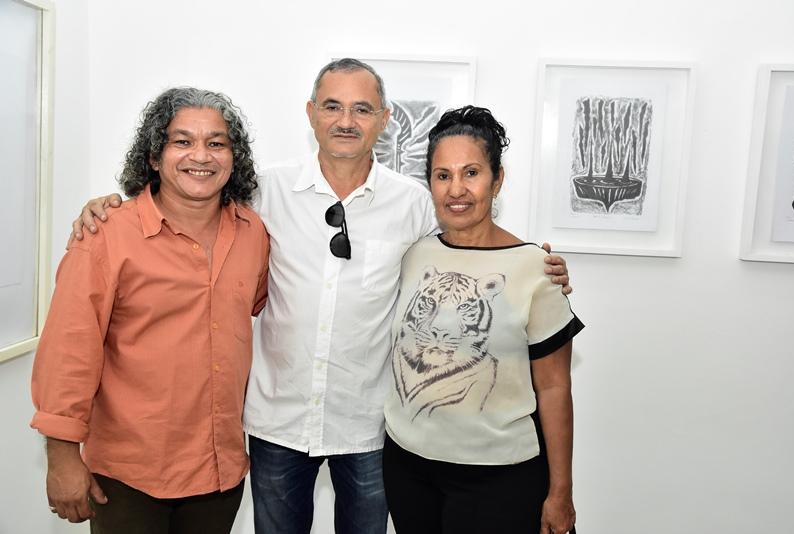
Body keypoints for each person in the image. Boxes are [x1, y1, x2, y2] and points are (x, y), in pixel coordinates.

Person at [68, 59, 572, 534]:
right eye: (332, 106)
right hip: (277, 420)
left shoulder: (414, 205)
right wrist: (112, 206)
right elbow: (184, 197)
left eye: (362, 109)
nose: (345, 121)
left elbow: (466, 245)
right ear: (311, 113)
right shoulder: (263, 192)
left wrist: (535, 263)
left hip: (368, 424)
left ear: (384, 120)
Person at [31, 87, 270, 534]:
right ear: (155, 157)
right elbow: (69, 350)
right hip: (129, 477)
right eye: (182, 141)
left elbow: (258, 307)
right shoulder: (106, 235)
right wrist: (61, 456)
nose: (201, 155)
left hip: (219, 472)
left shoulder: (252, 232)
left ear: (233, 158)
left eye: (216, 143)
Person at [382, 106, 583, 534]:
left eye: (471, 173)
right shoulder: (413, 254)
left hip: (499, 477)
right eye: (443, 175)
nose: (456, 189)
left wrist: (561, 492)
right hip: (407, 467)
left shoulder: (535, 268)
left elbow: (554, 387)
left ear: (497, 180)